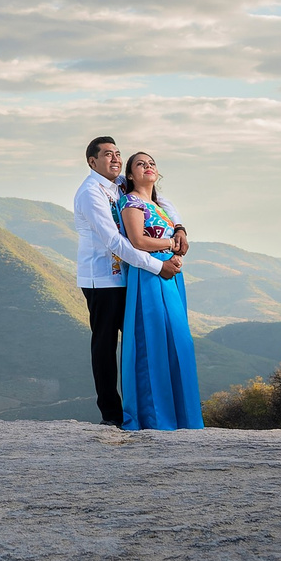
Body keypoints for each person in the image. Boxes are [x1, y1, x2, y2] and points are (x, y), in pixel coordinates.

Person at [74, 136, 176, 431]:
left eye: (118, 154)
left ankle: (146, 408)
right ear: (92, 161)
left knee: (139, 341)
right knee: (105, 345)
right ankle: (111, 413)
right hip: (102, 279)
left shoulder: (119, 184)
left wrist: (178, 227)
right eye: (108, 154)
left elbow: (157, 197)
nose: (115, 158)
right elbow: (115, 241)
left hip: (129, 276)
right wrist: (158, 266)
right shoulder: (90, 193)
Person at [113, 150, 205, 430]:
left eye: (151, 163)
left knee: (178, 342)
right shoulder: (131, 202)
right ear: (130, 174)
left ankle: (183, 416)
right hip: (149, 277)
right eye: (140, 164)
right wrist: (170, 245)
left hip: (170, 276)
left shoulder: (160, 205)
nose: (148, 166)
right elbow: (138, 240)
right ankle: (154, 417)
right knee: (153, 341)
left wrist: (177, 241)